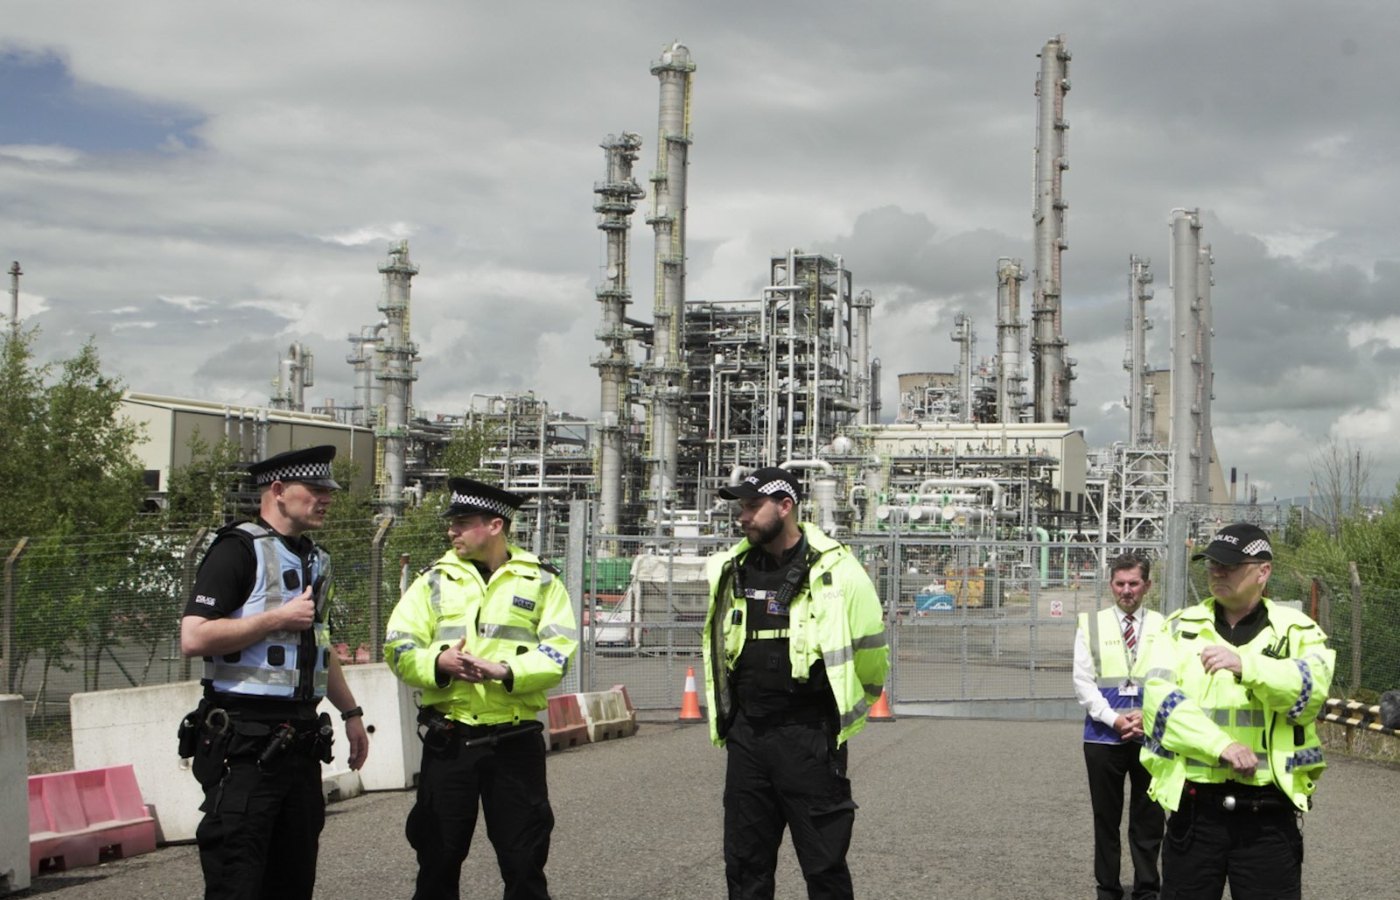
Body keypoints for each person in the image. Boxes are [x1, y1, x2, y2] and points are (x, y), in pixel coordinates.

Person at [180, 444, 370, 900]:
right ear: (279, 490)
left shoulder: (315, 558)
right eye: (316, 488)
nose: (326, 498)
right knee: (238, 880)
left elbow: (317, 647)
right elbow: (193, 637)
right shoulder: (237, 550)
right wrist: (275, 619)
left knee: (293, 881)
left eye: (330, 490)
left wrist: (351, 712)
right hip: (245, 745)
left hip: (300, 746)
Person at [384, 477, 578, 900]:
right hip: (449, 740)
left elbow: (559, 654)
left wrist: (505, 670)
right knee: (437, 860)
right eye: (451, 522)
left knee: (524, 862)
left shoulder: (541, 581)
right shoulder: (432, 581)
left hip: (513, 742)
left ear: (494, 525)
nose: (451, 530)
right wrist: (439, 663)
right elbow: (397, 647)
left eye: (462, 522)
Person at [702, 466, 889, 900]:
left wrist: (841, 715)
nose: (742, 517)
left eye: (752, 506)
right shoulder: (732, 569)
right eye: (741, 507)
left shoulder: (838, 570)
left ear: (785, 506)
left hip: (809, 736)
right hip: (748, 737)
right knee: (745, 865)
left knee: (823, 867)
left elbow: (870, 655)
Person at [1140, 523, 1334, 900]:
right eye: (1212, 564)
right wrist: (1221, 745)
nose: (1217, 572)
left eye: (1230, 565)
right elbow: (1159, 703)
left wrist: (1248, 667)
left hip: (1268, 817)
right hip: (1195, 814)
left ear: (1263, 571)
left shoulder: (1298, 631)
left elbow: (1310, 693)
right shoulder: (1179, 629)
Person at [1072, 554, 1166, 900]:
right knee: (1106, 819)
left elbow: (1173, 676)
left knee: (1149, 819)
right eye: (1120, 583)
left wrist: (1147, 716)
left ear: (1147, 586)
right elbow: (1083, 682)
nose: (1127, 590)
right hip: (1102, 736)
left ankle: (1146, 889)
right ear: (1111, 584)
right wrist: (1115, 718)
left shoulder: (1163, 625)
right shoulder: (1091, 624)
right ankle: (1108, 889)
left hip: (1151, 735)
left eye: (1134, 583)